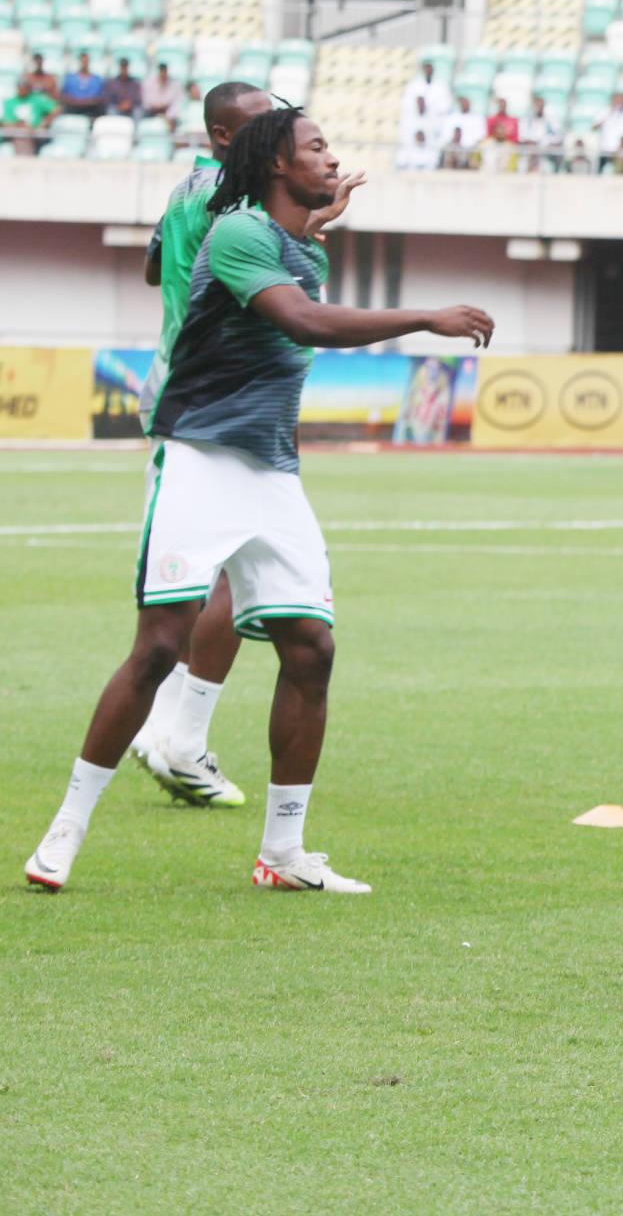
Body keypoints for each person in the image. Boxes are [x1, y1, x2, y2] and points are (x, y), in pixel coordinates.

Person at [22, 109, 494, 894]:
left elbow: (300, 285)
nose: (331, 154)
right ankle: (63, 831)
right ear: (275, 163)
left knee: (311, 647)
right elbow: (302, 320)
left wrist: (313, 226)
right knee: (159, 647)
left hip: (272, 471)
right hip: (201, 457)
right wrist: (423, 316)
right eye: (315, 146)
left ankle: (283, 854)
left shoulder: (296, 243)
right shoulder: (237, 232)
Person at [121, 81, 283, 808]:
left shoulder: (188, 187)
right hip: (216, 395)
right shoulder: (245, 206)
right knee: (222, 573)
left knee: (207, 569)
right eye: (260, 130)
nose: (274, 142)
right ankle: (176, 738)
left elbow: (155, 269)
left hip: (184, 385)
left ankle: (166, 729)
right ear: (223, 137)